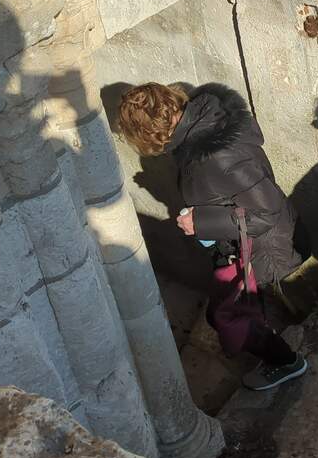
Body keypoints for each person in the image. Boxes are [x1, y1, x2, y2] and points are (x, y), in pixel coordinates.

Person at [115, 82, 308, 391]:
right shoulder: (207, 121)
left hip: (256, 248)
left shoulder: (215, 155)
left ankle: (286, 362)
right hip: (237, 243)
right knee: (236, 309)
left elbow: (266, 212)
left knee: (226, 316)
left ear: (149, 135)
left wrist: (200, 221)